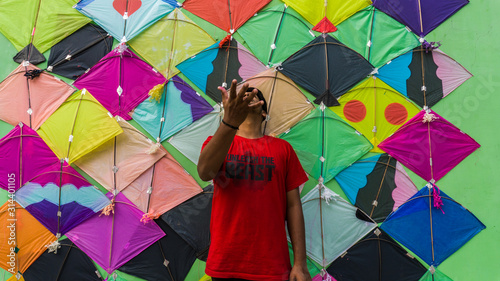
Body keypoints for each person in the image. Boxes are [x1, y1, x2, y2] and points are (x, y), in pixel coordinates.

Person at [198, 79, 312, 281]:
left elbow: (293, 205)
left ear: (264, 113)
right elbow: (205, 172)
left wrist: (300, 263)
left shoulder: (283, 149)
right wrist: (230, 121)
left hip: (272, 265)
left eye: (254, 96)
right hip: (226, 262)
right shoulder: (218, 143)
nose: (248, 97)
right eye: (243, 97)